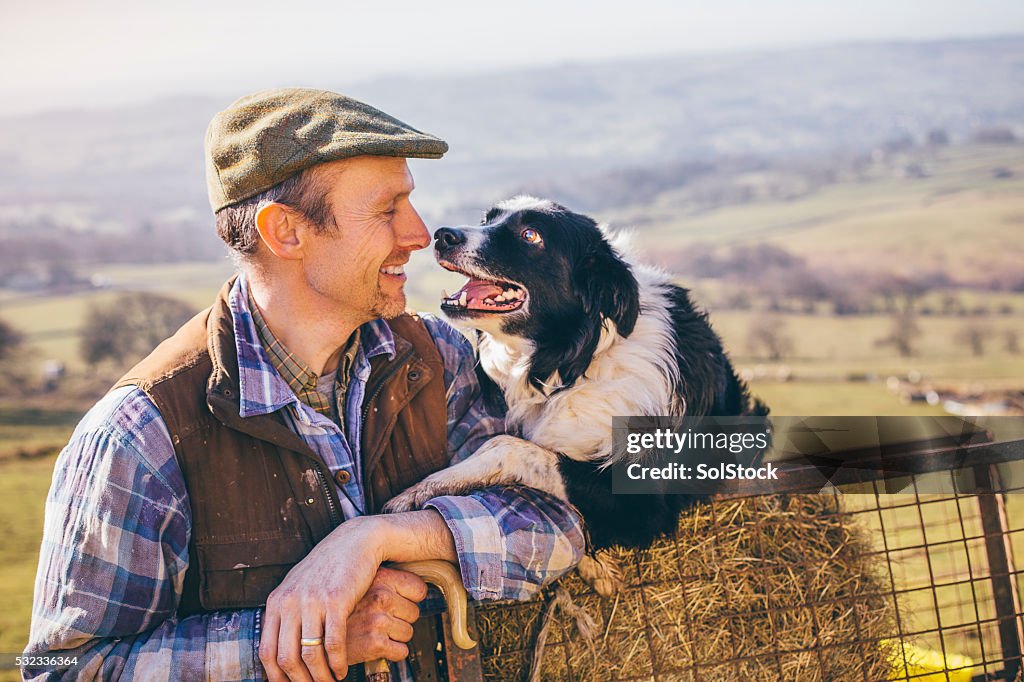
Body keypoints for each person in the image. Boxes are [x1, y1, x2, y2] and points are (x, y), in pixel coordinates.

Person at [25, 88, 585, 681]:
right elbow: (60, 667)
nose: (420, 236)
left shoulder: (437, 359)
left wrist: (382, 538)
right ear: (286, 231)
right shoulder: (140, 436)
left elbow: (557, 522)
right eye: (387, 210)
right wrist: (306, 640)